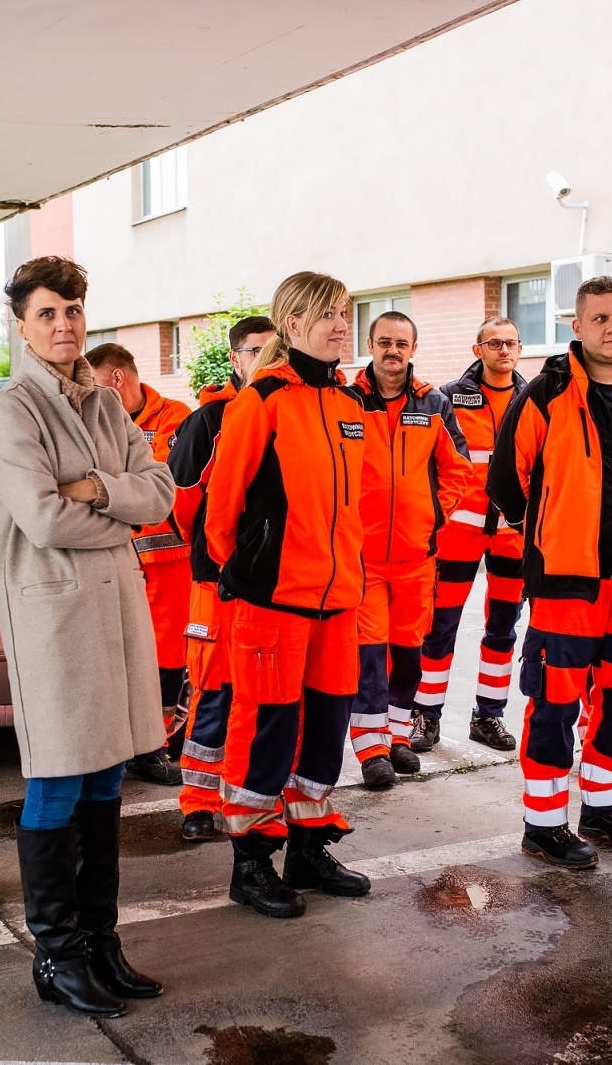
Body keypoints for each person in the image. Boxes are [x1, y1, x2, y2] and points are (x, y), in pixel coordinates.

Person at [0, 256, 172, 1018]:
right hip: (54, 615)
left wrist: (93, 488)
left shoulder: (104, 401)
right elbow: (42, 516)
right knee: (60, 774)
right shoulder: (11, 408)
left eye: (74, 311)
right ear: (22, 324)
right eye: (49, 313)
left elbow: (158, 495)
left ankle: (100, 939)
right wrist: (112, 508)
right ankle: (56, 952)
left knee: (105, 774)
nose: (65, 325)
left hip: (113, 607)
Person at [488, 275, 612, 869]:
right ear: (576, 326)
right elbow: (507, 479)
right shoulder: (545, 392)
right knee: (554, 704)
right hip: (565, 584)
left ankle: (603, 811)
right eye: (600, 318)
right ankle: (544, 824)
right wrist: (556, 528)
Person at [204, 271, 370, 918]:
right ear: (291, 325)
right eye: (323, 314)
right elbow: (220, 515)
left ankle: (308, 847)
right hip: (272, 602)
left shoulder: (348, 404)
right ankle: (250, 865)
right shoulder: (262, 400)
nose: (337, 324)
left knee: (325, 731)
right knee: (266, 731)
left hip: (337, 602)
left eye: (341, 313)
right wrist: (256, 572)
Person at [348, 311, 471, 788]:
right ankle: (372, 748)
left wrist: (434, 516)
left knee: (408, 655)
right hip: (363, 559)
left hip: (417, 557)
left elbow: (458, 467)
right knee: (369, 658)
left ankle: (399, 737)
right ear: (370, 344)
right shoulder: (348, 400)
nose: (392, 350)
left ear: (413, 349)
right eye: (384, 341)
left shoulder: (435, 403)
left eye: (401, 342)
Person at [166, 314, 276, 842]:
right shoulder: (207, 422)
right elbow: (183, 506)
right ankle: (197, 803)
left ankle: (244, 800)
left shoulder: (284, 409)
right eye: (256, 351)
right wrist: (224, 558)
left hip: (269, 591)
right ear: (235, 358)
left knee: (258, 698)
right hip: (216, 584)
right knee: (213, 691)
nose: (267, 359)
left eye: (274, 350)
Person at [413, 318, 529, 754]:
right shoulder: (447, 397)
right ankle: (426, 714)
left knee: (502, 628)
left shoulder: (533, 397)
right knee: (440, 627)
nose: (504, 350)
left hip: (511, 537)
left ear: (519, 349)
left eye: (511, 343)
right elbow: (433, 462)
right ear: (477, 349)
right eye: (494, 343)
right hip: (458, 534)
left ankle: (489, 716)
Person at [86, 342, 193, 786]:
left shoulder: (175, 418)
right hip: (116, 557)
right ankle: (137, 745)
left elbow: (161, 484)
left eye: (94, 383)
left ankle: (157, 746)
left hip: (169, 561)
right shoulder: (95, 421)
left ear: (116, 379)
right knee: (121, 656)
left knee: (168, 657)